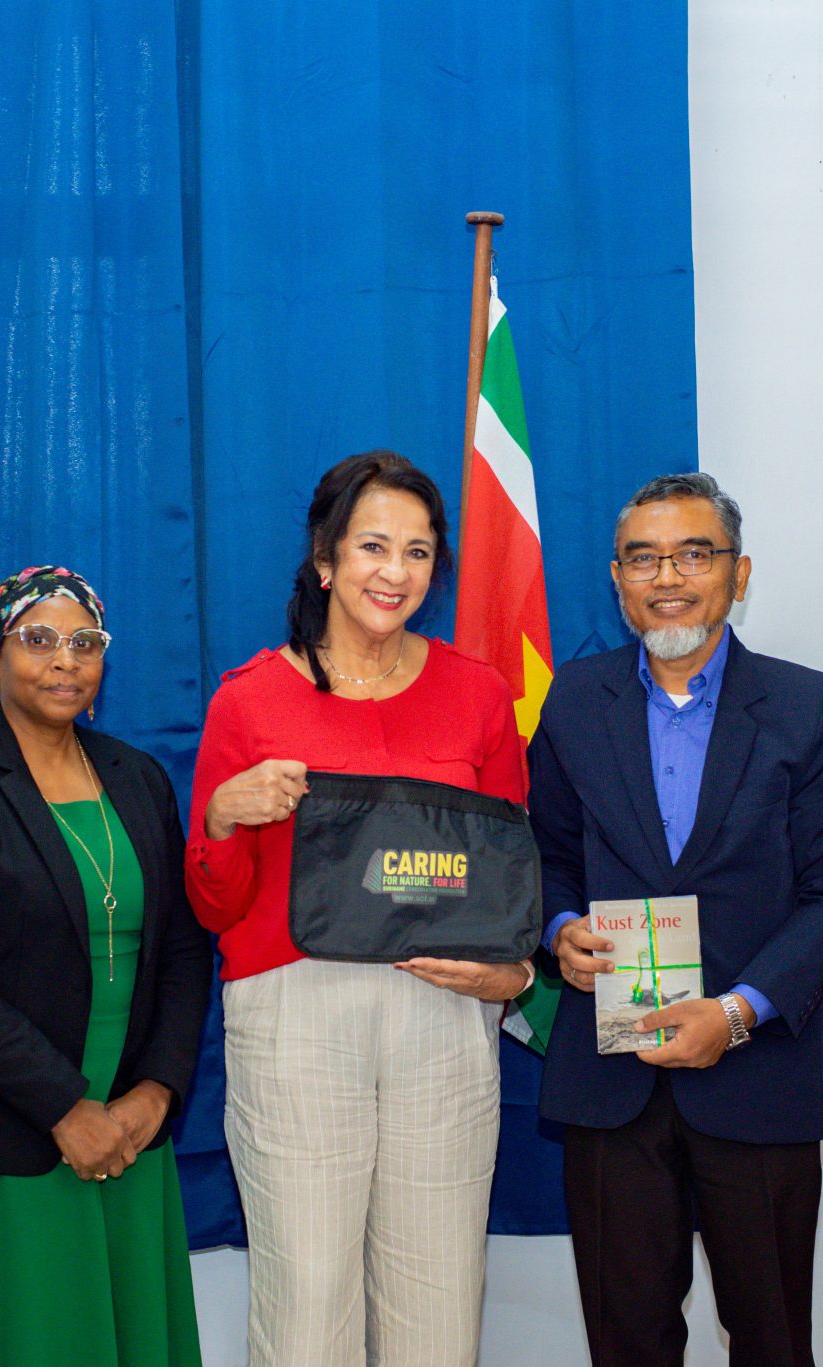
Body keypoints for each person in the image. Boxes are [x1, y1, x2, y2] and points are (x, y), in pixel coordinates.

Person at [184, 451, 532, 1367]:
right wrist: (222, 816)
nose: (395, 571)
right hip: (296, 1015)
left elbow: (510, 872)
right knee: (306, 1305)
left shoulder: (479, 694)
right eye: (373, 545)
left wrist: (511, 972)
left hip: (443, 1014)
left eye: (418, 551)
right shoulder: (248, 699)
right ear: (326, 559)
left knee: (439, 1305)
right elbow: (215, 905)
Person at [528, 472, 823, 1367]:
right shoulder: (574, 700)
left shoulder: (806, 704)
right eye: (644, 558)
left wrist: (738, 1011)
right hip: (610, 1080)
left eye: (693, 554)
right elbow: (547, 852)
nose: (668, 577)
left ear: (738, 572)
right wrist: (559, 926)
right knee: (627, 1344)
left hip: (757, 1074)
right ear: (617, 578)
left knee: (772, 1342)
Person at [0, 565, 210, 1366]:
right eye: (39, 639)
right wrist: (65, 1107)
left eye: (85, 642)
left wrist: (155, 1091)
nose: (65, 659)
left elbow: (183, 948)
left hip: (126, 1136)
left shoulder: (138, 778)